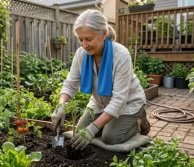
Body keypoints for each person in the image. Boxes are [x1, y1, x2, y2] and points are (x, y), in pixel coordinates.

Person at [51, 9, 150, 151]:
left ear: (104, 33)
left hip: (128, 103)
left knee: (110, 137)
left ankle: (139, 121)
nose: (84, 45)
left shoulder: (120, 55)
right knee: (80, 133)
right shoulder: (81, 54)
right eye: (81, 39)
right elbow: (70, 84)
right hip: (99, 103)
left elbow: (118, 100)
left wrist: (93, 129)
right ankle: (110, 124)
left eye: (89, 39)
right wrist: (61, 106)